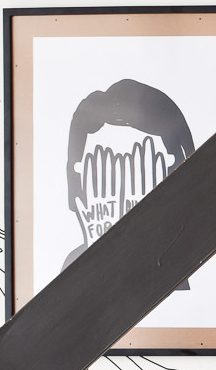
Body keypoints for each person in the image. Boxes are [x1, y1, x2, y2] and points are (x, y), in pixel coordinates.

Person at [62, 78, 194, 282]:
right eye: (100, 173)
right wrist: (99, 253)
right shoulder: (71, 272)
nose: (120, 194)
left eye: (141, 168)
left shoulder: (194, 263)